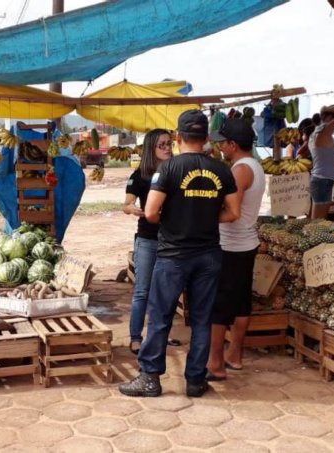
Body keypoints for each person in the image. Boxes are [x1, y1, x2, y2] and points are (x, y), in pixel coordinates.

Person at [119, 110, 240, 398]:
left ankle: (150, 379)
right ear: (206, 138)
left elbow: (150, 212)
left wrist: (177, 219)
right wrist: (205, 219)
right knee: (201, 319)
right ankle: (195, 381)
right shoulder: (222, 170)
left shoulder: (169, 169)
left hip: (174, 255)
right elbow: (233, 212)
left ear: (178, 137)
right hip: (209, 254)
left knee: (161, 316)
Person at [205, 119, 265, 381]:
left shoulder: (241, 170)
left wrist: (203, 218)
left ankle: (215, 363)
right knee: (241, 304)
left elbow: (232, 212)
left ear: (232, 144)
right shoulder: (255, 166)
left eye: (223, 142)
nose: (219, 145)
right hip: (246, 244)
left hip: (231, 245)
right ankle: (235, 355)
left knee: (219, 307)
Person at [122, 128, 177, 354]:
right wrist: (132, 209)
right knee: (142, 291)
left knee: (168, 292)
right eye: (161, 145)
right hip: (148, 239)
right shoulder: (141, 175)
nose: (166, 148)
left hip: (173, 239)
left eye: (169, 143)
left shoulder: (176, 171)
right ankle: (136, 337)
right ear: (151, 149)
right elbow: (125, 204)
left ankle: (164, 334)